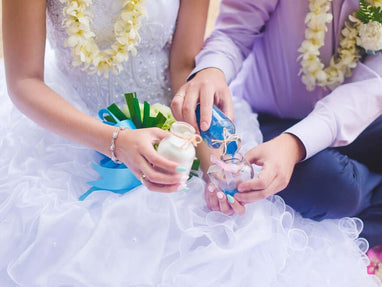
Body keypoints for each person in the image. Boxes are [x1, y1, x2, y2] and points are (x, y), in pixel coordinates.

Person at [0, 0, 380, 286]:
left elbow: (184, 68)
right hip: (74, 125)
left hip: (180, 121)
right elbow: (24, 82)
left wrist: (212, 164)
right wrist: (115, 141)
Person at [171, 0, 382, 277]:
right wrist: (213, 69)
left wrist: (295, 144)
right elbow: (233, 34)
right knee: (331, 186)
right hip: (273, 121)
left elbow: (370, 90)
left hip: (362, 118)